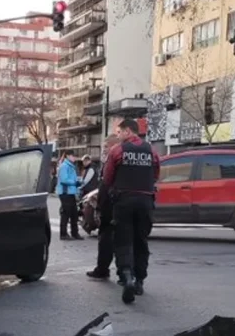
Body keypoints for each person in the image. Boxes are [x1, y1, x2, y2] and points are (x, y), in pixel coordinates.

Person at [102, 119, 160, 304]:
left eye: (119, 132)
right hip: (145, 201)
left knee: (123, 239)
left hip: (124, 200)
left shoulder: (117, 151)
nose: (118, 136)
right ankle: (140, 280)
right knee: (141, 240)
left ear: (128, 131)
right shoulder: (151, 151)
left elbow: (108, 177)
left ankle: (126, 275)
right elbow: (156, 174)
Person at [86, 134, 120, 281]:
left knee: (107, 238)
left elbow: (107, 182)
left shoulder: (114, 159)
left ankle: (103, 269)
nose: (104, 149)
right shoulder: (110, 159)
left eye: (106, 146)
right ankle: (108, 269)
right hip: (113, 203)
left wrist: (101, 201)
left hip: (111, 206)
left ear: (113, 145)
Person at [56, 150, 82, 240]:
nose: (74, 157)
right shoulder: (64, 166)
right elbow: (64, 180)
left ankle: (75, 233)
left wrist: (78, 183)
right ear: (67, 156)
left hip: (70, 193)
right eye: (73, 156)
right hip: (65, 192)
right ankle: (63, 234)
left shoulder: (71, 166)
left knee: (74, 213)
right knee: (66, 213)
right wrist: (75, 182)